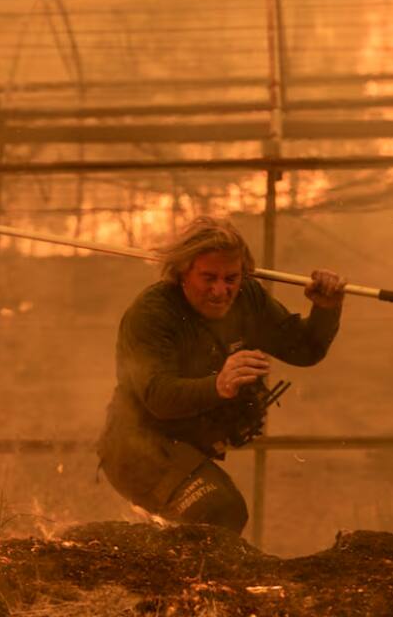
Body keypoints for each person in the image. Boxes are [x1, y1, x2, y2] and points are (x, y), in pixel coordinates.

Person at [97, 216, 345, 535]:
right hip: (136, 447)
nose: (221, 291)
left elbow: (304, 350)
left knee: (215, 515)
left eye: (231, 278)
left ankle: (182, 581)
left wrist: (326, 310)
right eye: (208, 278)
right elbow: (158, 397)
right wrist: (219, 384)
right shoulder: (151, 314)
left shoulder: (248, 298)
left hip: (183, 447)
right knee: (219, 510)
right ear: (182, 273)